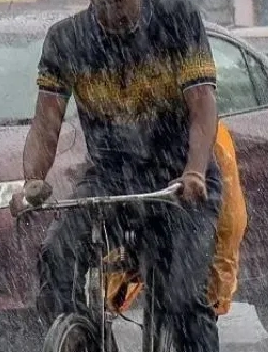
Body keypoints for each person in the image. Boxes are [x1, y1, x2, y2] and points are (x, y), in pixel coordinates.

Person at [12, 0, 234, 352]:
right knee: (58, 267)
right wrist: (32, 182)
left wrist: (190, 171)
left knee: (182, 295)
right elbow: (45, 123)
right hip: (113, 180)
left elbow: (202, 106)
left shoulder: (177, 21)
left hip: (179, 182)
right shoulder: (65, 41)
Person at [105, 119, 248, 316]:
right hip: (150, 207)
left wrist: (216, 292)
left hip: (194, 211)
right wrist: (109, 297)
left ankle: (191, 330)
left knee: (191, 298)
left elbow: (229, 224)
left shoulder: (214, 140)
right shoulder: (126, 133)